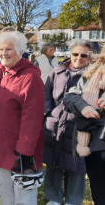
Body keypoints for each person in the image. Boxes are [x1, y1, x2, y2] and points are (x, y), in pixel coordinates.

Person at [0, 31, 45, 205]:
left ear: (20, 51)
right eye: (1, 49)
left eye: (8, 49)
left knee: (24, 198)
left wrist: (25, 151)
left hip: (19, 151)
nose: (3, 53)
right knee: (5, 195)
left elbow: (32, 118)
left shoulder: (30, 77)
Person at [44, 39, 91, 205]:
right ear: (69, 54)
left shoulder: (94, 75)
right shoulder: (57, 71)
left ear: (90, 56)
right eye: (75, 54)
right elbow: (47, 92)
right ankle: (54, 197)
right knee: (53, 161)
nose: (79, 58)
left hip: (79, 126)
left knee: (77, 165)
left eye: (84, 55)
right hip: (55, 124)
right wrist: (49, 111)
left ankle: (73, 200)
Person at [63, 46, 105, 205]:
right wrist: (83, 106)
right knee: (99, 194)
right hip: (93, 145)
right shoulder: (92, 73)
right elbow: (69, 97)